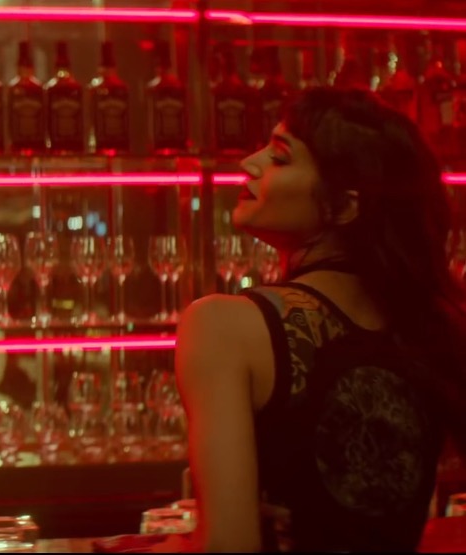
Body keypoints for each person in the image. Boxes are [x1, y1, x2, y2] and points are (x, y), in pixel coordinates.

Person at [176, 87, 466, 552]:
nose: (250, 163)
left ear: (345, 206)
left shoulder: (222, 326)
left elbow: (228, 546)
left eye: (280, 157)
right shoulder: (429, 328)